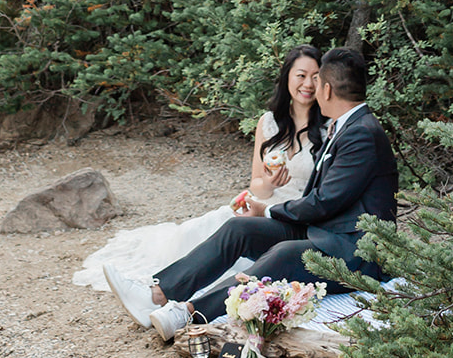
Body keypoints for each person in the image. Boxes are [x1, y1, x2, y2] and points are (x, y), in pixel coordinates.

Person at [104, 47, 398, 340]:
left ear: (328, 89)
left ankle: (190, 311)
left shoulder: (361, 133)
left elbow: (325, 201)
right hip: (325, 232)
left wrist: (269, 210)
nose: (313, 88)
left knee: (284, 254)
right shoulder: (346, 126)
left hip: (354, 254)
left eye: (317, 82)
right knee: (239, 228)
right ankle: (157, 294)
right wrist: (266, 211)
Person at [73, 46, 324, 291]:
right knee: (195, 232)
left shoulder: (328, 128)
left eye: (315, 77)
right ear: (287, 78)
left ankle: (165, 291)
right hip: (260, 202)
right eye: (301, 75)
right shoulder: (269, 122)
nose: (308, 84)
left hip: (291, 214)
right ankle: (155, 285)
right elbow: (256, 183)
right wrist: (269, 184)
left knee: (231, 241)